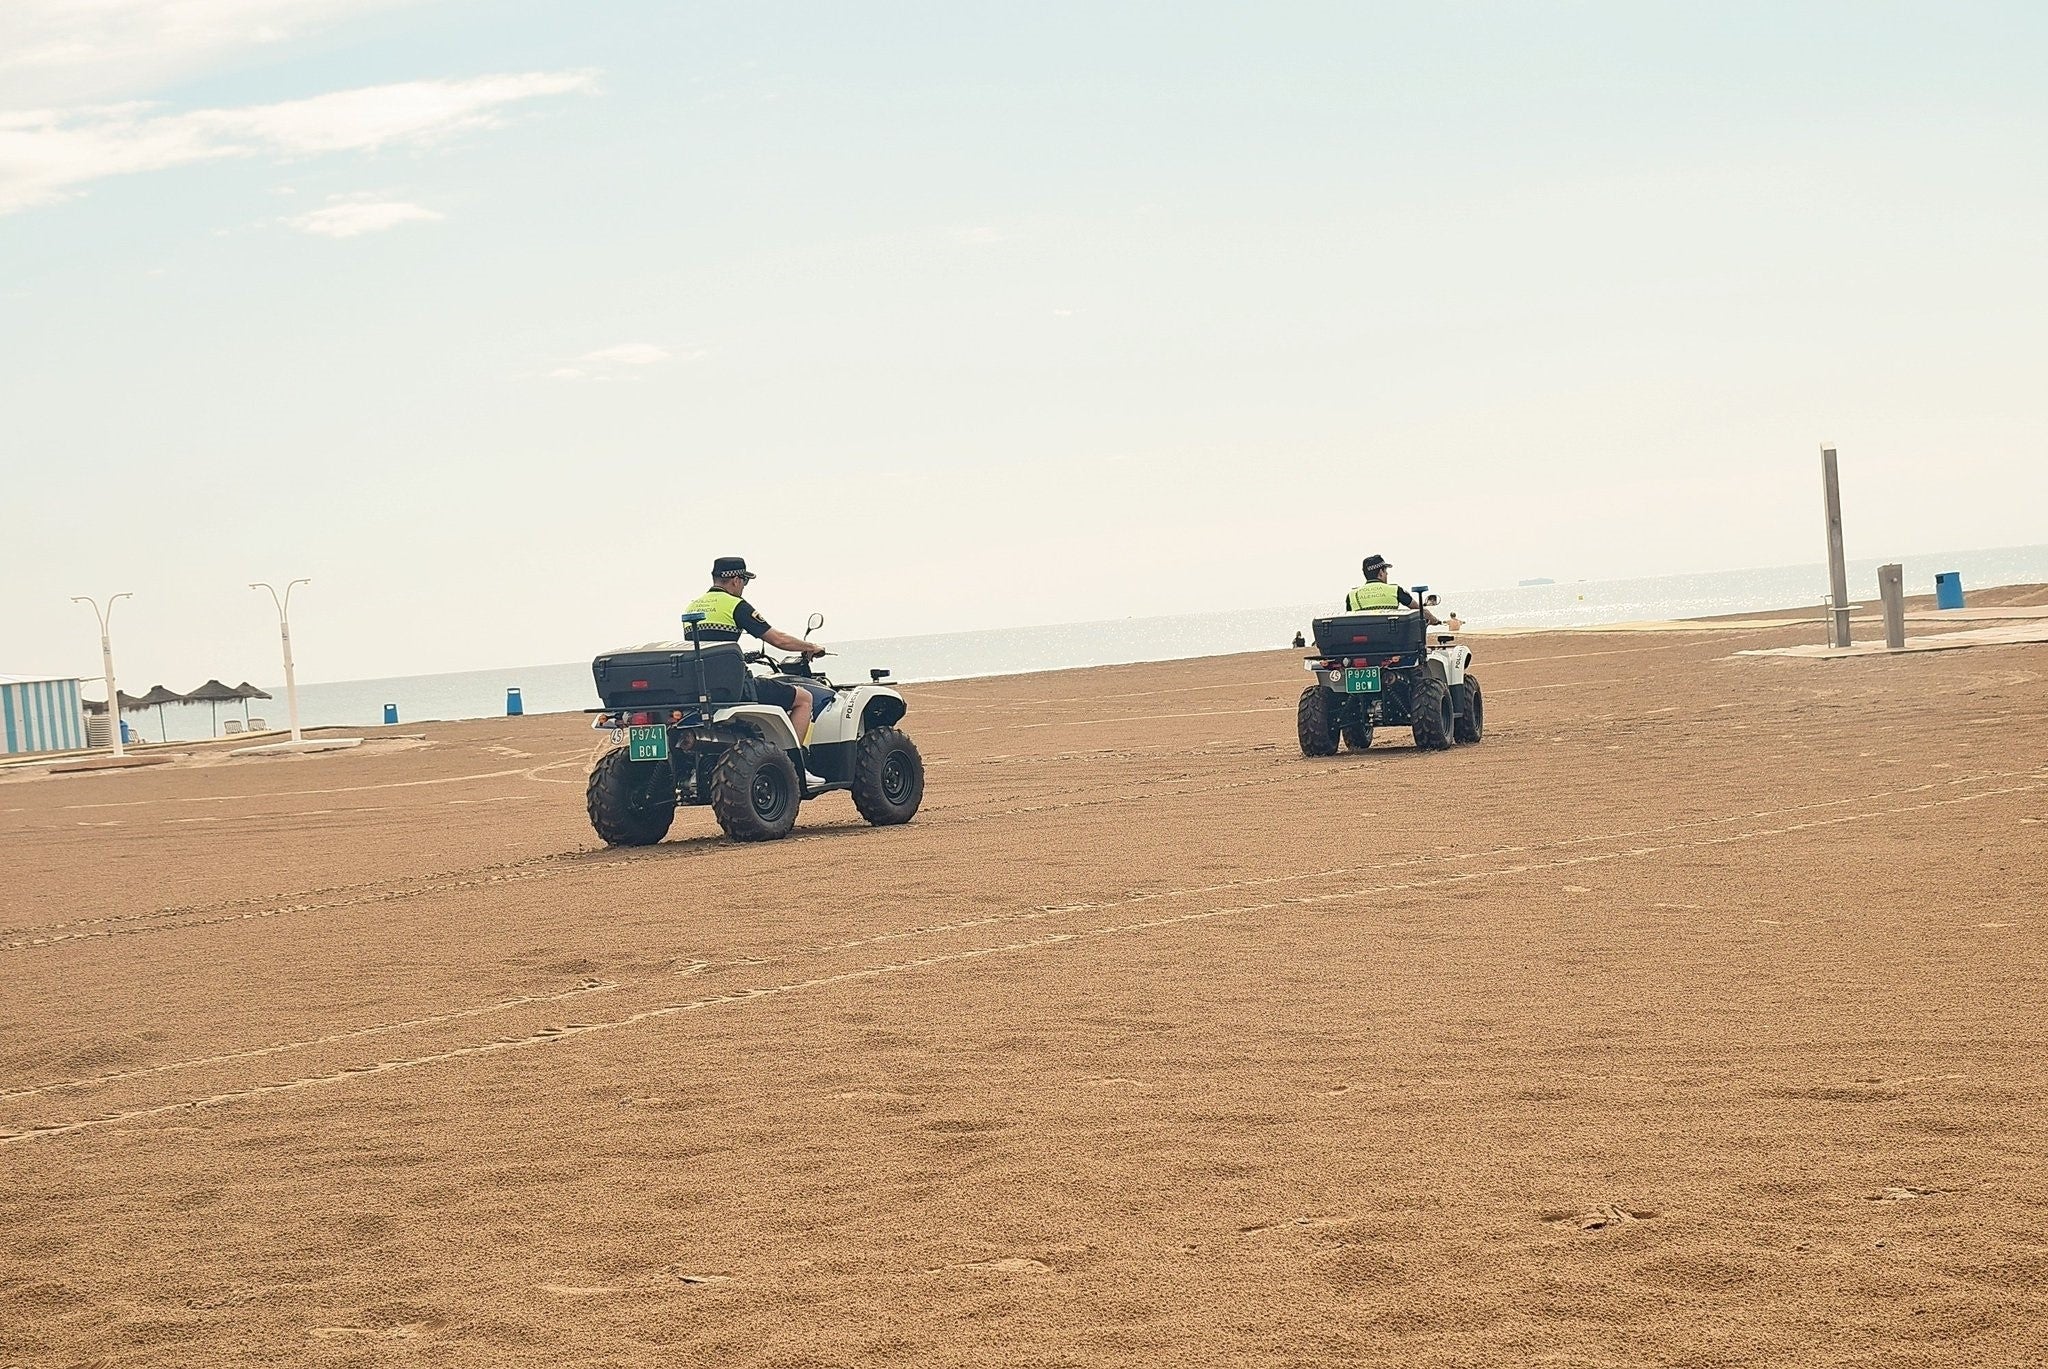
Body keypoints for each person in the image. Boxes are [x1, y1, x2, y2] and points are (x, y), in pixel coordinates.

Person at [684, 556, 829, 776]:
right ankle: (792, 768)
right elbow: (778, 639)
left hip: (702, 688)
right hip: (735, 688)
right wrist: (811, 646)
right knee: (804, 699)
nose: (744, 587)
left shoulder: (692, 606)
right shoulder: (735, 605)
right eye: (745, 581)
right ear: (735, 580)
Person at [1347, 553, 1441, 626]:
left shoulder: (1352, 595)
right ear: (1381, 572)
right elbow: (1421, 611)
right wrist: (1436, 621)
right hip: (1391, 643)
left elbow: (1349, 621)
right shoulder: (1394, 590)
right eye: (1386, 571)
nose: (1387, 574)